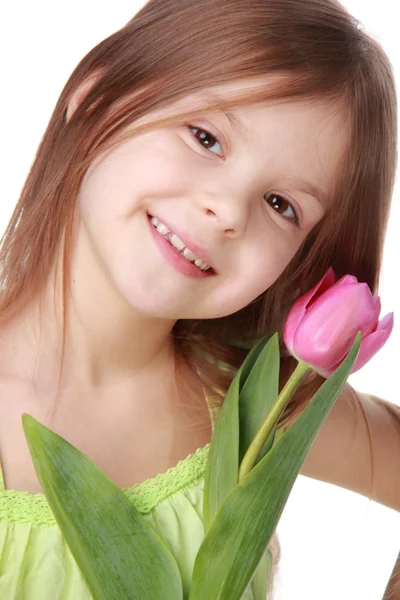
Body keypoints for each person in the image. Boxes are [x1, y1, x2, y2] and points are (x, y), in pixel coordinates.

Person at [0, 0, 398, 597]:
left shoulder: (258, 409)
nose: (228, 211)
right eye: (206, 137)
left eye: (281, 205)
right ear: (94, 94)